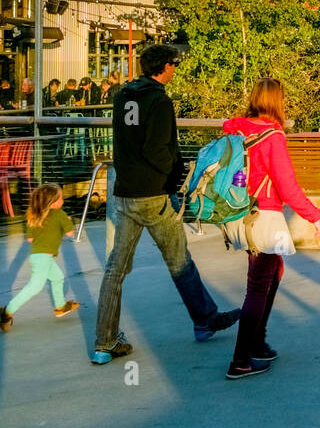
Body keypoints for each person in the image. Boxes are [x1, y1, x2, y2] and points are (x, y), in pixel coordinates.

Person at [91, 43, 240, 365]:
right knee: (179, 262)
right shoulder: (159, 101)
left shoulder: (122, 95)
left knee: (115, 269)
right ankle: (205, 320)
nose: (175, 69)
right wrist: (177, 177)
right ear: (164, 67)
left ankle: (104, 342)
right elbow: (158, 151)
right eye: (174, 64)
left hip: (126, 192)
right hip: (154, 195)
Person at [222, 78, 320, 380]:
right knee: (258, 285)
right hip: (264, 216)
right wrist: (314, 215)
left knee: (273, 270)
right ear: (278, 102)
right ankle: (241, 360)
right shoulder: (272, 136)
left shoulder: (235, 130)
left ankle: (258, 342)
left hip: (238, 212)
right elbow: (287, 185)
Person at [1, 183, 79, 330]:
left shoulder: (35, 215)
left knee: (57, 277)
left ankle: (60, 306)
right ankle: (7, 311)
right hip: (44, 258)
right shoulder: (59, 214)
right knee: (35, 286)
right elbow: (70, 234)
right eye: (61, 198)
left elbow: (30, 239)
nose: (63, 201)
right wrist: (68, 223)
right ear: (54, 202)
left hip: (38, 256)